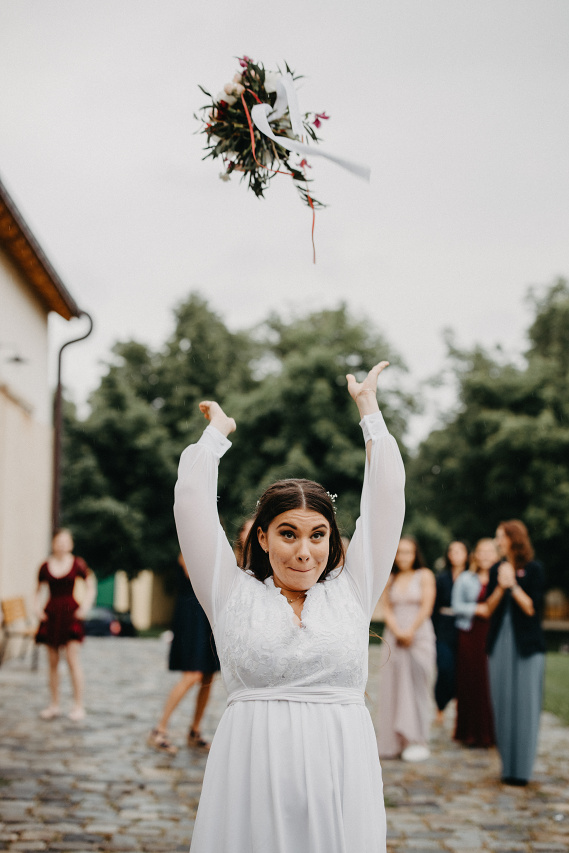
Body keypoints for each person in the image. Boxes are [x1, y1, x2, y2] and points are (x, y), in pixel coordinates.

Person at [174, 361, 405, 853]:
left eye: (317, 535)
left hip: (342, 773)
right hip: (252, 775)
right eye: (288, 533)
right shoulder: (229, 594)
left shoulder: (353, 590)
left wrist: (370, 411)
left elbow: (387, 501)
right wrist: (216, 435)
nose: (304, 551)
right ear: (262, 537)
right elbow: (191, 499)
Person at [485, 520, 546, 785]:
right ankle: (507, 768)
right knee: (502, 703)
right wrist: (500, 585)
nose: (497, 542)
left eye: (500, 537)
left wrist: (513, 586)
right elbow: (488, 609)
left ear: (513, 539)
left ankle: (522, 771)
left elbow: (534, 609)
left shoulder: (534, 570)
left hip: (527, 647)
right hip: (499, 643)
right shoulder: (496, 569)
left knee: (525, 706)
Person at [148, 553, 221, 755]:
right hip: (192, 616)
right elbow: (200, 579)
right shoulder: (187, 550)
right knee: (193, 674)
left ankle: (194, 731)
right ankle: (159, 729)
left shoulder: (217, 551)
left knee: (208, 675)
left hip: (209, 616)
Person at [375, 536, 436, 761]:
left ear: (415, 554)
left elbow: (427, 605)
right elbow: (386, 607)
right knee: (393, 686)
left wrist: (410, 630)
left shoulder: (425, 575)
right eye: (400, 552)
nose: (403, 557)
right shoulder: (390, 578)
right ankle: (393, 741)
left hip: (419, 636)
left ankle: (417, 739)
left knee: (418, 686)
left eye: (408, 552)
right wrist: (397, 630)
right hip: (395, 636)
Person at [34, 528, 96, 721]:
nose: (61, 545)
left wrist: (85, 606)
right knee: (52, 662)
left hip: (70, 614)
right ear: (53, 543)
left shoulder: (77, 564)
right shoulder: (45, 566)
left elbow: (90, 586)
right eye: (57, 541)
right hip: (52, 614)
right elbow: (37, 590)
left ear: (70, 544)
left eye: (64, 541)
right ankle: (54, 704)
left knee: (72, 660)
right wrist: (37, 610)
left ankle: (78, 705)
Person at [451, 538, 497, 748]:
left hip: (495, 634)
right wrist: (476, 609)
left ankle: (492, 733)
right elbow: (456, 605)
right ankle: (469, 732)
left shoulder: (502, 578)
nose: (486, 555)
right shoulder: (465, 578)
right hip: (470, 634)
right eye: (482, 551)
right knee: (471, 681)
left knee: (491, 682)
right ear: (476, 555)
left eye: (490, 551)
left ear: (497, 555)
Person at [432, 539, 468, 723]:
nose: (456, 555)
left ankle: (463, 709)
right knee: (445, 668)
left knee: (462, 670)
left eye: (460, 551)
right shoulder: (442, 578)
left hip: (465, 627)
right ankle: (440, 705)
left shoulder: (472, 576)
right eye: (452, 551)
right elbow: (434, 607)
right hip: (444, 627)